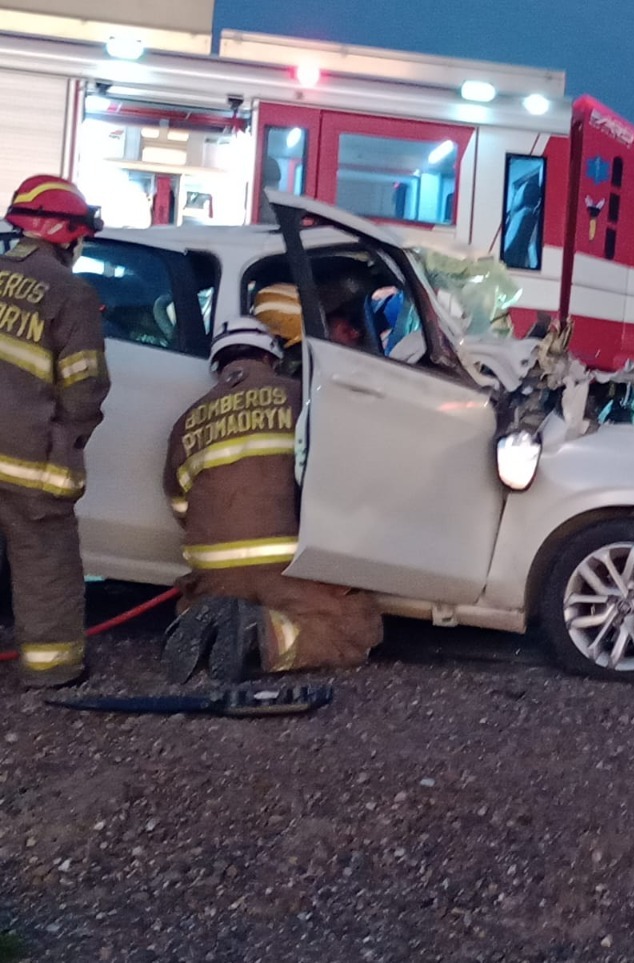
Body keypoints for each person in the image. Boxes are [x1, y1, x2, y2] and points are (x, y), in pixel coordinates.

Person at [160, 315, 382, 681]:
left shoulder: (186, 421)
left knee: (214, 603)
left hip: (213, 578)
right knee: (352, 629)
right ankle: (255, 633)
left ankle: (209, 624)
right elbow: (339, 478)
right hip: (288, 567)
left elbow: (180, 505)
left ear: (218, 365)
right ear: (270, 358)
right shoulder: (301, 398)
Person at [0, 174, 110, 688]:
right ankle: (53, 672)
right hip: (27, 459)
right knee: (45, 559)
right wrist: (65, 447)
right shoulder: (71, 293)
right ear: (67, 235)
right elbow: (85, 390)